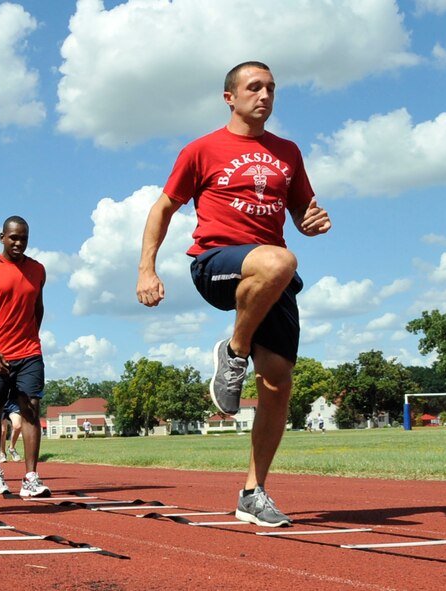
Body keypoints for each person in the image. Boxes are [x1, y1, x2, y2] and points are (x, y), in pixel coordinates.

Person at [136, 61, 331, 527]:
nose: (264, 95)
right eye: (253, 87)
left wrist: (312, 221)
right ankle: (235, 349)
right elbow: (163, 207)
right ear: (230, 96)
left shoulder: (288, 153)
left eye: (271, 88)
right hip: (217, 262)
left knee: (278, 381)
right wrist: (147, 268)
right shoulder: (202, 149)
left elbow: (304, 210)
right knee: (281, 261)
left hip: (268, 279)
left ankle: (252, 491)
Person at [0, 216, 49, 498]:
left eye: (23, 238)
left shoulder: (38, 270)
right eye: (13, 237)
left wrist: (30, 340)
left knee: (31, 408)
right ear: (2, 237)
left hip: (29, 352)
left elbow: (38, 308)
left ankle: (30, 478)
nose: (18, 243)